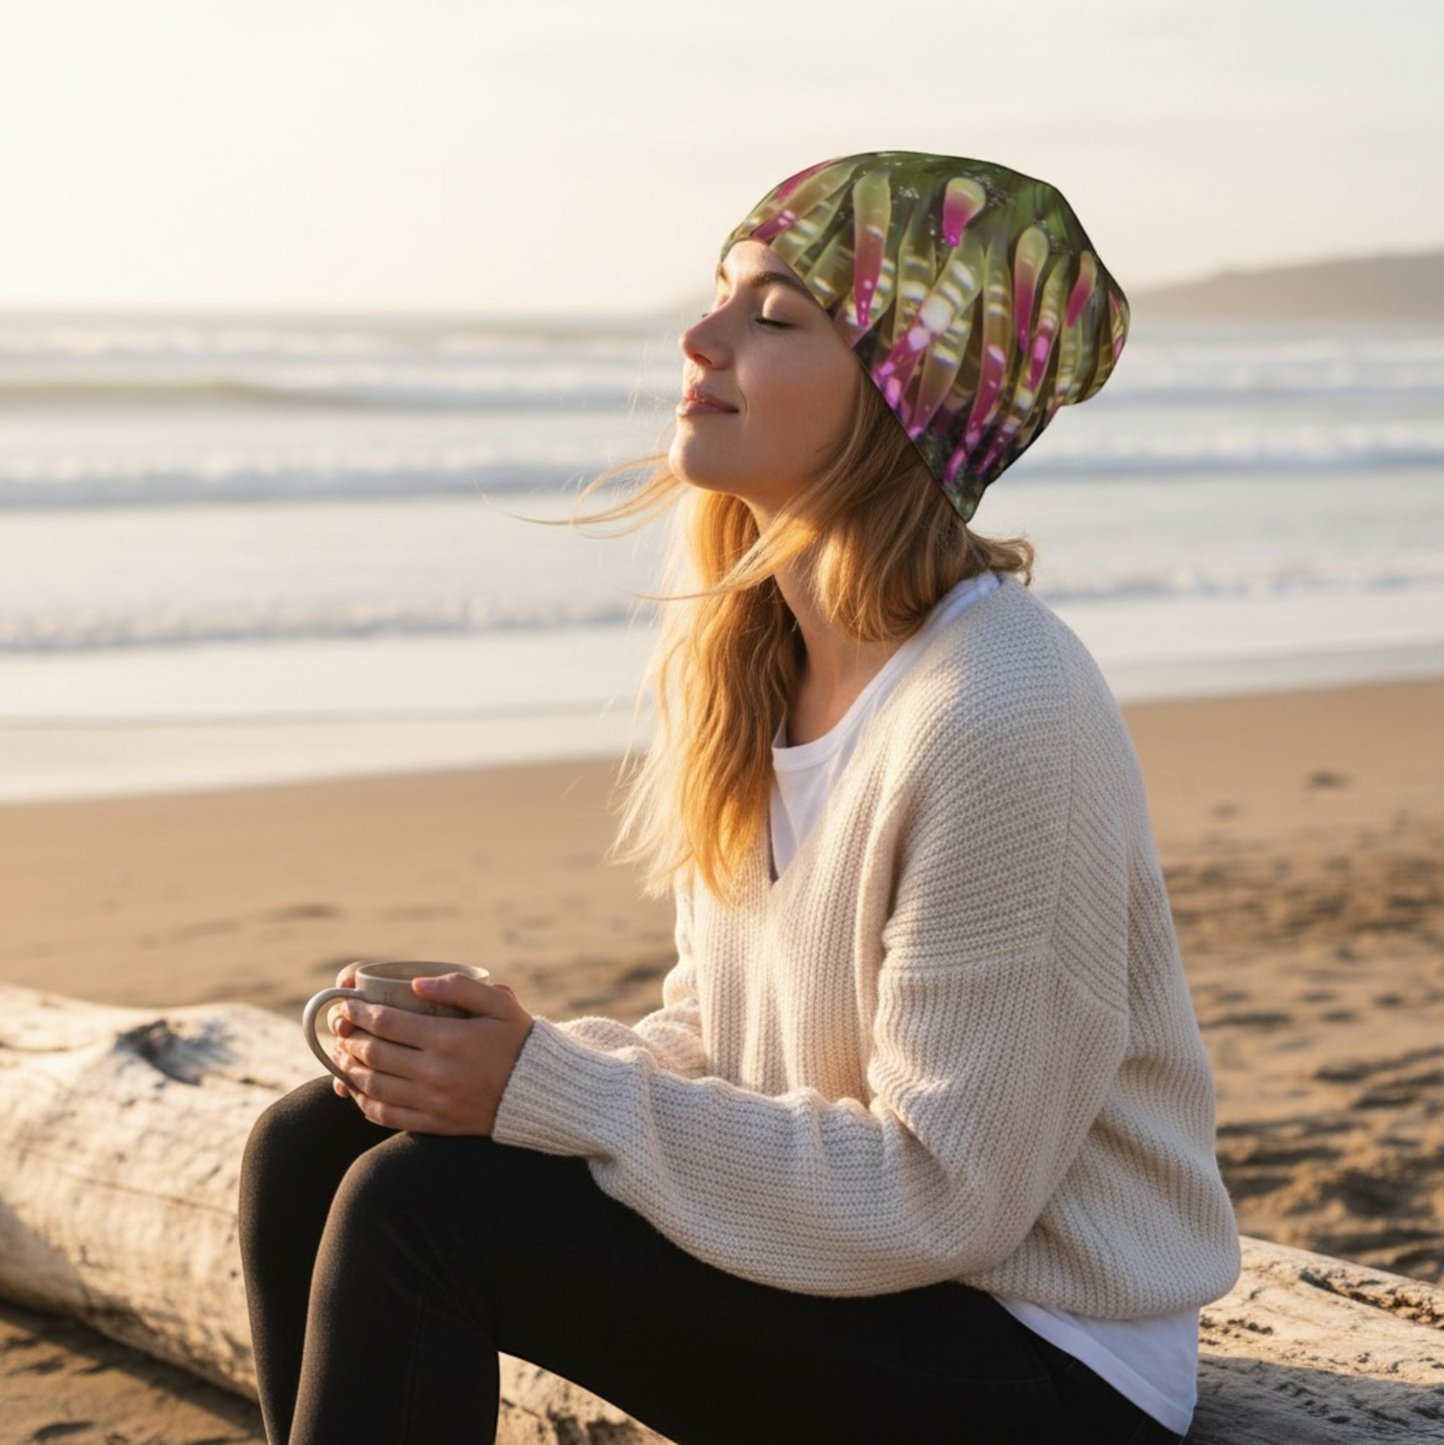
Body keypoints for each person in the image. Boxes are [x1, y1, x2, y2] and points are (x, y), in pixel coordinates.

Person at [239, 149, 1242, 1445]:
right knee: (313, 1147)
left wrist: (550, 1091)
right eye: (722, 295)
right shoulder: (765, 665)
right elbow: (723, 1044)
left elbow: (945, 1192)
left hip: (1040, 1363)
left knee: (419, 1218)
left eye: (774, 318)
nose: (700, 335)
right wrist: (494, 1062)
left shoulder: (1001, 712)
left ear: (908, 399)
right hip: (874, 1281)